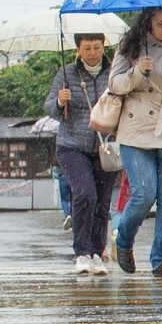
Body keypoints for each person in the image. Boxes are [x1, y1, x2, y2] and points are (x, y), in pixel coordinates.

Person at [108, 6, 162, 280]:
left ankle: (161, 260)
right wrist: (137, 72)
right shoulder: (131, 47)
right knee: (145, 193)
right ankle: (123, 241)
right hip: (138, 129)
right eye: (160, 24)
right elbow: (114, 84)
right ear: (148, 22)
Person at [46, 30, 118, 275]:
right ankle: (81, 253)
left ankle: (98, 252)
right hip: (72, 146)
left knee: (102, 200)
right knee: (85, 194)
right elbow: (49, 109)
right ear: (78, 49)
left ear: (103, 46)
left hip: (105, 146)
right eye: (87, 48)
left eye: (97, 47)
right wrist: (59, 100)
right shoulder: (66, 73)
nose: (92, 53)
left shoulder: (113, 73)